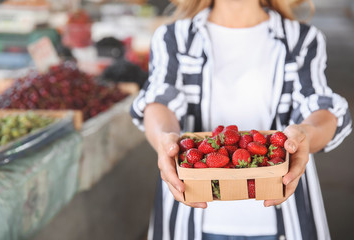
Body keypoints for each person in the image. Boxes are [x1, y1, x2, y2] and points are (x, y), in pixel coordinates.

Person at [130, 0, 352, 239]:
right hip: (191, 219)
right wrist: (165, 138)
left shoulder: (302, 39)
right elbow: (159, 100)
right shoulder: (173, 37)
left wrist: (306, 135)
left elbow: (319, 105)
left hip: (285, 219)